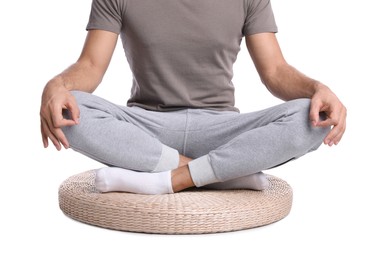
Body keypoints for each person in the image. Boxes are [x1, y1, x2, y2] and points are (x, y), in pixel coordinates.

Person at [40, 0, 346, 195]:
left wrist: (318, 89)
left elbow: (276, 71)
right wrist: (56, 86)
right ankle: (220, 175)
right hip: (147, 129)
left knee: (312, 117)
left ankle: (168, 179)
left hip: (222, 131)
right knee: (70, 113)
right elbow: (90, 66)